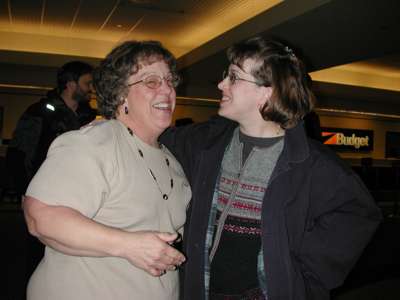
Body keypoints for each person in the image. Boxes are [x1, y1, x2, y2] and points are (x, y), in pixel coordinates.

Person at [160, 37, 382, 300]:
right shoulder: (204, 142)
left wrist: (303, 274)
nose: (221, 84)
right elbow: (151, 136)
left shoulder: (312, 163)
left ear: (267, 92)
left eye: (233, 77)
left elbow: (358, 214)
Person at [22, 40, 191, 300]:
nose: (167, 89)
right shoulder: (96, 142)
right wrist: (128, 245)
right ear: (121, 92)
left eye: (170, 80)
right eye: (151, 81)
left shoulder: (172, 161)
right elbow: (41, 217)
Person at [7, 60, 96, 197]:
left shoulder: (90, 118)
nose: (91, 88)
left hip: (79, 194)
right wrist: (27, 193)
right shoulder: (40, 113)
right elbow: (20, 155)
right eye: (87, 83)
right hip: (44, 193)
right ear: (71, 85)